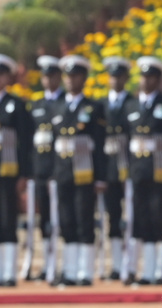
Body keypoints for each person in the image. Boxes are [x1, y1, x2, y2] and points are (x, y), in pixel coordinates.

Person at [127, 56, 162, 286]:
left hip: (160, 169)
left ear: (158, 80)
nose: (146, 81)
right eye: (143, 76)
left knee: (159, 216)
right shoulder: (131, 105)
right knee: (141, 219)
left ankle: (161, 269)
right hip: (138, 169)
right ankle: (146, 270)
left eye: (151, 77)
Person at [53, 54, 106, 286]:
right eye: (67, 76)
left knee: (85, 218)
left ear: (83, 78)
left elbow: (100, 145)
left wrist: (101, 177)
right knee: (66, 220)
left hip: (85, 172)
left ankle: (85, 271)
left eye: (74, 76)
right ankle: (70, 270)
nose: (69, 80)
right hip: (63, 171)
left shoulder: (93, 107)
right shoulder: (58, 105)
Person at [26, 56, 64, 282]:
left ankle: (61, 266)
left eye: (52, 75)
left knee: (62, 220)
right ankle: (47, 266)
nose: (48, 79)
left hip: (59, 171)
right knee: (44, 222)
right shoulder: (36, 105)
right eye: (45, 76)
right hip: (40, 171)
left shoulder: (63, 104)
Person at [0, 54, 32, 287]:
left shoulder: (17, 105)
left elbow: (25, 142)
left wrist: (24, 173)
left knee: (8, 219)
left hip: (8, 172)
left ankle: (8, 271)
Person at [102, 56, 133, 281]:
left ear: (126, 78)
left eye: (119, 76)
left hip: (130, 164)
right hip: (108, 165)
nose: (115, 80)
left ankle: (129, 265)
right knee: (112, 214)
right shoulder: (101, 104)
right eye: (112, 76)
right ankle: (115, 265)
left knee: (131, 215)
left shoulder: (132, 102)